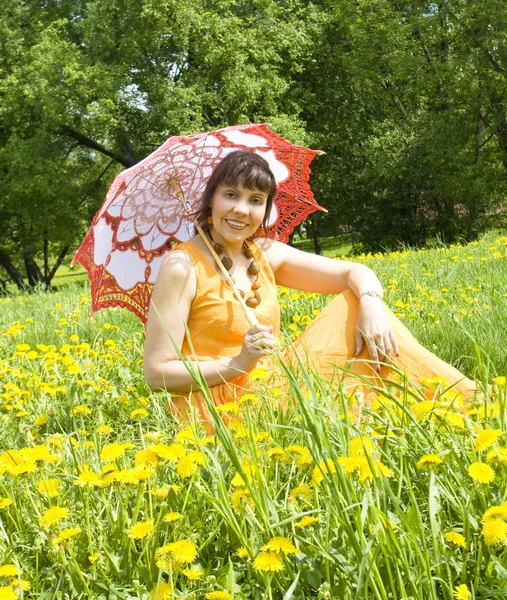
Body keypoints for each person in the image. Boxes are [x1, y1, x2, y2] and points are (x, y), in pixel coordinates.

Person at [143, 151, 476, 422]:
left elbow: (356, 272)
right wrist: (239, 363)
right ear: (211, 199)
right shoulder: (182, 266)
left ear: (266, 209)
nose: (241, 210)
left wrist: (372, 305)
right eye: (231, 195)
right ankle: (463, 404)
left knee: (357, 302)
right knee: (347, 387)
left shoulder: (265, 255)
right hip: (220, 406)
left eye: (255, 200)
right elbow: (156, 374)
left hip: (271, 385)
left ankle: (453, 403)